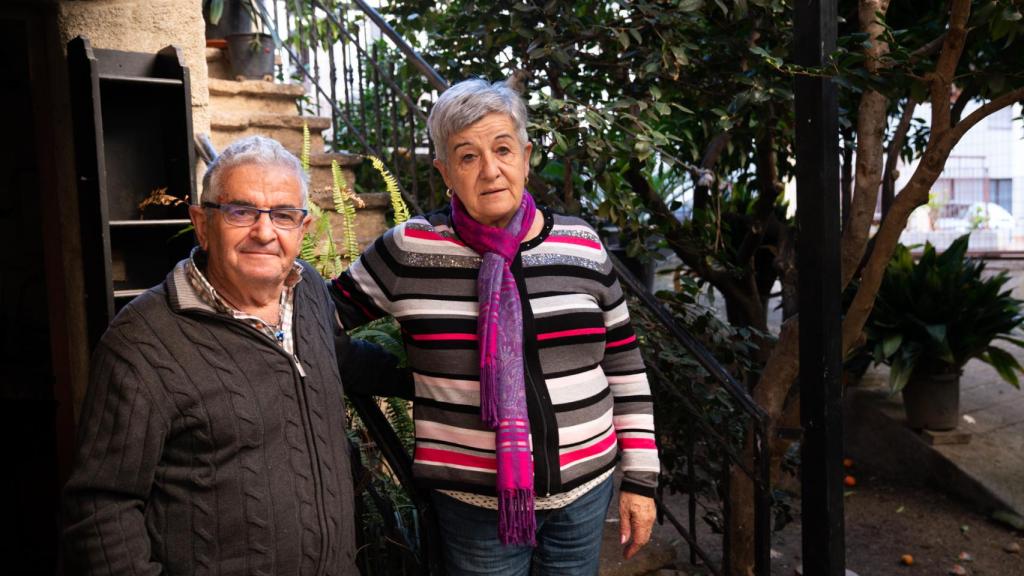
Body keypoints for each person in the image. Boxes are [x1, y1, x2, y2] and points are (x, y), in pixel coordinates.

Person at [330, 78, 660, 575]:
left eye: (503, 149)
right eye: (467, 156)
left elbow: (624, 364)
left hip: (584, 498)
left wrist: (641, 479)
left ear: (525, 156)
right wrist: (389, 376)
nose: (491, 170)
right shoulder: (411, 251)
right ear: (444, 171)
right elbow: (316, 317)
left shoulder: (581, 246)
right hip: (473, 509)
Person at [63, 136, 397, 576]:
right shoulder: (143, 343)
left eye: (283, 214)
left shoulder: (310, 293)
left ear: (303, 228)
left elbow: (336, 357)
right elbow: (100, 508)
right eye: (241, 211)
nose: (264, 232)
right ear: (202, 224)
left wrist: (431, 377)